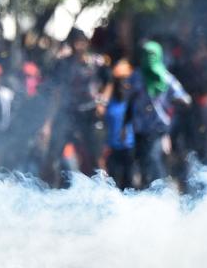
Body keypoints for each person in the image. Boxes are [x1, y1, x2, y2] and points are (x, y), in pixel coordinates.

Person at [40, 28, 105, 183]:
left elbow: (109, 82)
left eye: (81, 42)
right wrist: (48, 123)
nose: (78, 46)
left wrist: (102, 102)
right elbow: (56, 92)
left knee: (94, 156)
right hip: (67, 113)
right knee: (53, 154)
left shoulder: (96, 63)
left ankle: (102, 189)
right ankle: (47, 189)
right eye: (75, 43)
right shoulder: (63, 64)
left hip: (89, 114)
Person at [127, 40, 191, 187]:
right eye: (146, 54)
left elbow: (185, 99)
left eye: (152, 54)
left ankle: (159, 193)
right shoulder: (136, 76)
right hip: (140, 130)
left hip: (158, 129)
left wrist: (177, 100)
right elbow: (128, 98)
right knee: (142, 163)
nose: (149, 58)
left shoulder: (166, 77)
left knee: (153, 159)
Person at [104, 60, 135, 189]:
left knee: (129, 182)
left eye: (126, 80)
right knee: (113, 182)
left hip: (129, 147)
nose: (124, 84)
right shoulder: (111, 101)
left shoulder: (133, 100)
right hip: (113, 147)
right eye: (120, 81)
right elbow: (101, 108)